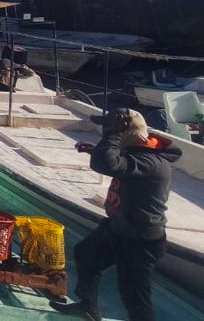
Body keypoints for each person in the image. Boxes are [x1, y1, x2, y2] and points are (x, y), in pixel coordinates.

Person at [51, 108, 181, 321]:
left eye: (112, 129)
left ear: (126, 133)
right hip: (119, 229)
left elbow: (108, 164)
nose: (107, 132)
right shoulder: (138, 154)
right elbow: (117, 163)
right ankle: (88, 308)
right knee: (86, 255)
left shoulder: (152, 162)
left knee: (134, 298)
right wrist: (96, 150)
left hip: (140, 240)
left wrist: (112, 138)